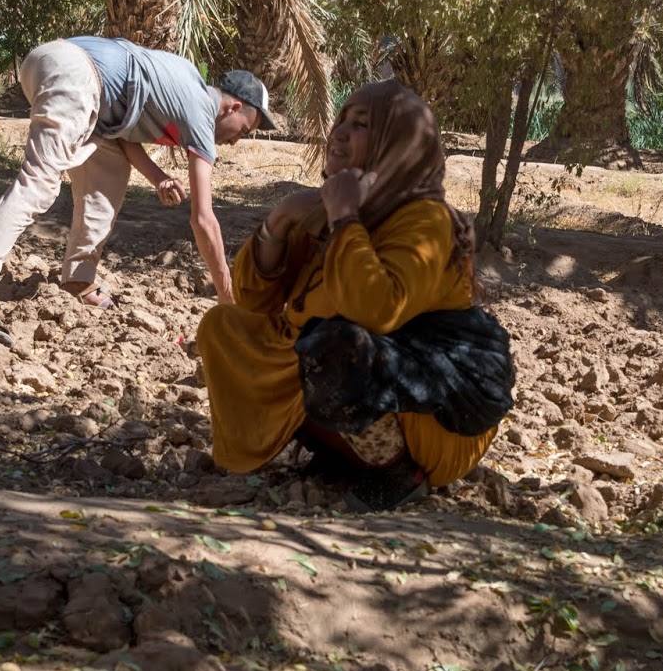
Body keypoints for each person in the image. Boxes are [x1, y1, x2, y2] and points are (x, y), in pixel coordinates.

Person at [196, 80, 514, 510]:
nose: (339, 133)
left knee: (336, 348)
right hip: (343, 364)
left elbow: (378, 310)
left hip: (432, 419)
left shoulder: (426, 222)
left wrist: (345, 217)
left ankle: (398, 472)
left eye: (361, 125)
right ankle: (340, 455)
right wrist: (281, 219)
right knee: (225, 327)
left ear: (396, 146)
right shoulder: (322, 211)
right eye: (341, 121)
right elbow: (253, 302)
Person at [0, 37, 276, 346]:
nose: (236, 141)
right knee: (40, 183)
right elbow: (204, 219)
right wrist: (227, 299)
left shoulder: (186, 84)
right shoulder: (201, 114)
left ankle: (78, 277)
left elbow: (125, 137)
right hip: (77, 74)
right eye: (243, 130)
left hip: (68, 71)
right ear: (232, 107)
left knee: (110, 173)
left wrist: (158, 177)